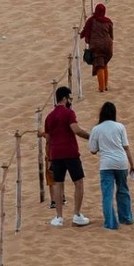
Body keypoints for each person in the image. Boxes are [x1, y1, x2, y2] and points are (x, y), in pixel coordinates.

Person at [42, 86, 91, 227]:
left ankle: (59, 217)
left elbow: (48, 139)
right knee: (78, 182)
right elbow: (76, 130)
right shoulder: (69, 113)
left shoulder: (49, 117)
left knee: (58, 183)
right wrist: (91, 137)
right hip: (70, 151)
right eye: (69, 98)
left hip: (56, 153)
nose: (70, 100)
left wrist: (49, 157)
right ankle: (76, 214)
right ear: (64, 98)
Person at [88, 101, 134, 230]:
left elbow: (92, 150)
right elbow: (126, 147)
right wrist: (132, 164)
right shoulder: (120, 127)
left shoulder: (96, 129)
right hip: (121, 162)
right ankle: (126, 217)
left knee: (107, 194)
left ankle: (110, 222)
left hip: (106, 164)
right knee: (123, 190)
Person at [80, 2, 114, 93]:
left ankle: (101, 88)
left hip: (96, 47)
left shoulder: (92, 20)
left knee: (100, 66)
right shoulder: (109, 21)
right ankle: (106, 85)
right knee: (105, 63)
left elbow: (85, 30)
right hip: (108, 46)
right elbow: (111, 35)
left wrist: (81, 35)